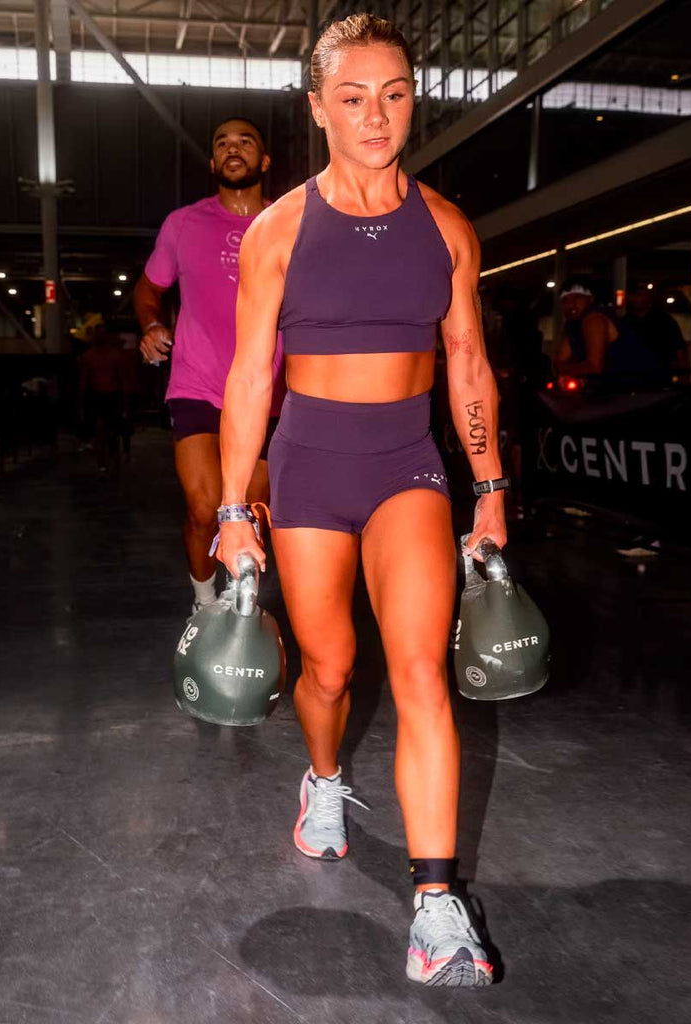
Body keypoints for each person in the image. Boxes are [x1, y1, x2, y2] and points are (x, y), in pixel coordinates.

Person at [216, 14, 506, 987]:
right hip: (307, 468)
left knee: (421, 671)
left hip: (406, 466)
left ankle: (436, 905)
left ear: (412, 101)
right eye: (352, 97)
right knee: (331, 670)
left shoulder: (447, 227)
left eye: (392, 94)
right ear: (317, 109)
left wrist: (490, 489)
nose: (375, 116)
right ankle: (326, 778)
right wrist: (232, 508)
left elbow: (467, 363)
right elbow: (249, 377)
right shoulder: (278, 230)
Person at [135, 118, 284, 614]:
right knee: (204, 508)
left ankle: (238, 608)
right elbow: (148, 289)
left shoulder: (288, 223)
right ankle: (203, 603)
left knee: (250, 513)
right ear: (214, 161)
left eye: (245, 141)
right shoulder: (183, 224)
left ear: (264, 161)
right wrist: (151, 324)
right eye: (222, 142)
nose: (232, 148)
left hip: (267, 389)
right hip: (197, 384)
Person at [78, 318, 126, 473]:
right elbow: (84, 380)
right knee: (99, 430)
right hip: (96, 396)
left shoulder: (115, 355)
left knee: (113, 431)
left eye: (103, 334)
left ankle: (112, 459)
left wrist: (126, 401)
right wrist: (81, 402)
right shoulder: (88, 356)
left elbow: (122, 379)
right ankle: (102, 464)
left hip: (113, 395)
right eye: (98, 334)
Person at [553, 281, 617, 379]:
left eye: (577, 298)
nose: (571, 304)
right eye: (565, 300)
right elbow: (560, 360)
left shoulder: (594, 318)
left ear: (590, 299)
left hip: (631, 383)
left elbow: (594, 366)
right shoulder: (572, 324)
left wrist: (566, 371)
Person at [624, 283, 688, 372]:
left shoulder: (664, 320)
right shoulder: (625, 322)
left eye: (640, 294)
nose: (637, 298)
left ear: (648, 297)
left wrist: (684, 373)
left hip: (659, 374)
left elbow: (679, 349)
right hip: (631, 374)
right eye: (634, 294)